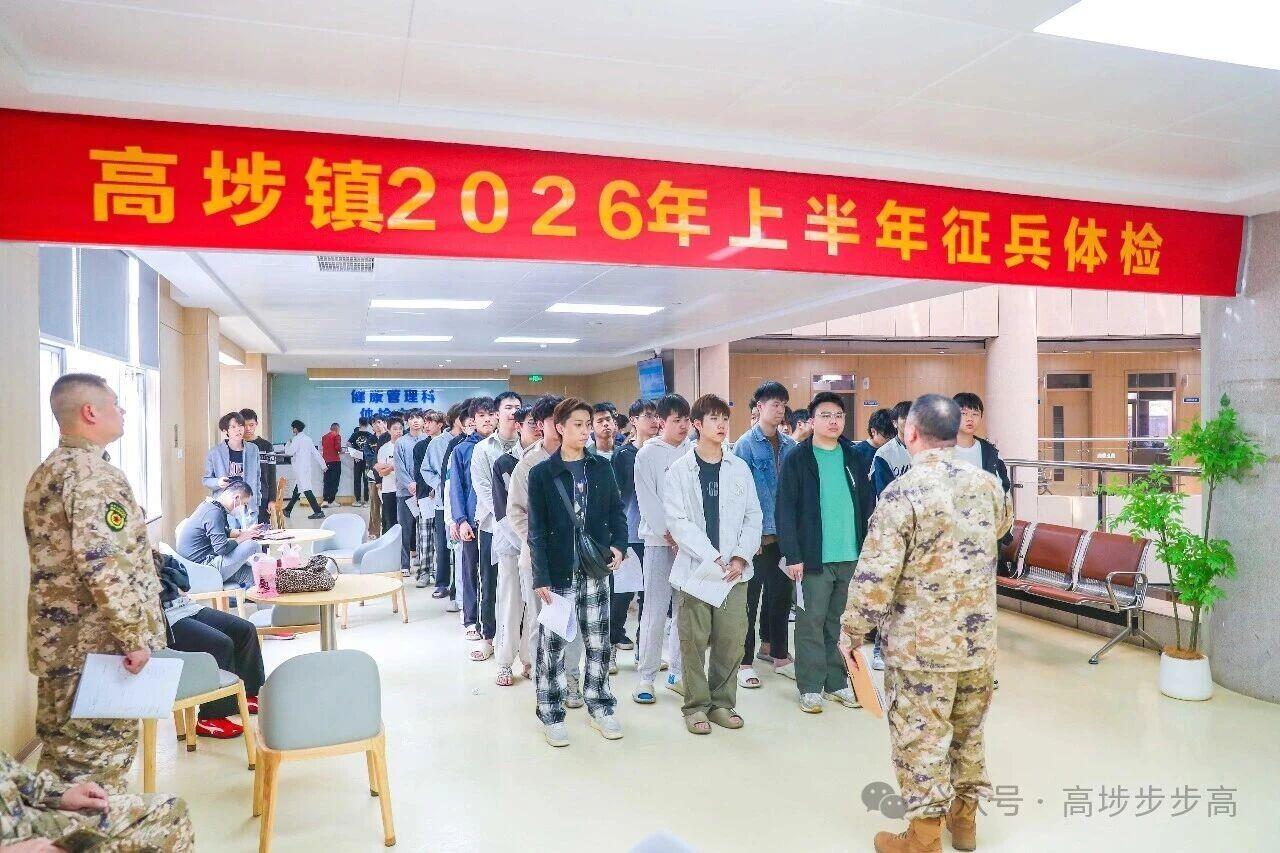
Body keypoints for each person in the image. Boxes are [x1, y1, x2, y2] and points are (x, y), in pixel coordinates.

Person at [841, 395, 1012, 853]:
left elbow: (876, 576)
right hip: (977, 642)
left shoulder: (902, 493)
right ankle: (965, 824)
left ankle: (924, 838)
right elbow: (1000, 530)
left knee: (922, 739)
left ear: (910, 433)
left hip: (921, 649)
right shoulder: (988, 485)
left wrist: (852, 632)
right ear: (956, 432)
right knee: (968, 733)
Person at [23, 373, 167, 790]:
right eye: (116, 403)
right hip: (98, 650)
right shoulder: (95, 477)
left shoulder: (49, 471)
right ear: (90, 412)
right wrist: (133, 638)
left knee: (62, 774)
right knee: (95, 776)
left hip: (60, 646)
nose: (123, 410)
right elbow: (103, 564)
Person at [528, 398, 628, 747]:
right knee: (552, 647)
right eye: (578, 425)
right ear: (559, 427)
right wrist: (540, 575)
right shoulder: (542, 474)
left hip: (595, 570)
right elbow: (536, 530)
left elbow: (616, 512)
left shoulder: (601, 468)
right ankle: (551, 713)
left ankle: (600, 706)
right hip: (558, 574)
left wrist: (619, 545)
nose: (586, 431)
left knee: (599, 643)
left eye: (588, 424)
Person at [664, 394, 762, 735]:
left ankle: (722, 703)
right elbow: (677, 521)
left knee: (730, 640)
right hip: (697, 570)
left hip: (734, 572)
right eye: (714, 419)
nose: (721, 425)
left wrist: (740, 555)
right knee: (693, 642)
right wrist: (713, 556)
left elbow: (753, 516)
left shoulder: (739, 467)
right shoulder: (680, 470)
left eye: (724, 419)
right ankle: (695, 706)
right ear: (697, 424)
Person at [776, 391, 874, 714]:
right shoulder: (798, 458)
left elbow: (866, 503)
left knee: (838, 624)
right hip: (813, 559)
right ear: (812, 420)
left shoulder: (854, 456)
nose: (833, 421)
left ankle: (836, 682)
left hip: (850, 556)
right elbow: (785, 509)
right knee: (810, 623)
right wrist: (793, 555)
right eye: (826, 415)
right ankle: (810, 686)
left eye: (838, 416)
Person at [507, 395, 587, 706]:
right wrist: (541, 541)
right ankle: (545, 680)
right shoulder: (528, 464)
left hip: (576, 558)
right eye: (556, 419)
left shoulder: (583, 460)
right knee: (542, 622)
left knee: (572, 621)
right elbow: (515, 512)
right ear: (542, 425)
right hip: (538, 560)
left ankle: (571, 678)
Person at [156, 548, 264, 740]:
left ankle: (247, 694)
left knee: (245, 629)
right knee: (220, 644)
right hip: (165, 620)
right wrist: (167, 581)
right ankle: (211, 717)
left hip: (187, 607)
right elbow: (160, 590)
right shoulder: (125, 563)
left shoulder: (151, 554)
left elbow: (184, 581)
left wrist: (167, 580)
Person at [732, 380, 798, 686]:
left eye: (783, 404)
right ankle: (744, 662)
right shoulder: (744, 445)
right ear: (759, 407)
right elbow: (739, 494)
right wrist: (749, 535)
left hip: (784, 535)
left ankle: (779, 653)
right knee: (750, 600)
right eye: (774, 404)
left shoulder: (790, 445)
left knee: (781, 597)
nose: (780, 409)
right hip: (756, 537)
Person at [0, 751, 194, 850]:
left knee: (169, 811)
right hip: (13, 840)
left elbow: (11, 772)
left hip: (24, 819)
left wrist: (59, 794)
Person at [633, 393, 692, 704]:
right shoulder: (647, 454)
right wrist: (671, 536)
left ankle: (677, 673)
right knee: (655, 611)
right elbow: (648, 502)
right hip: (659, 543)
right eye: (676, 420)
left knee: (684, 611)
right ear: (661, 421)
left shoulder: (693, 450)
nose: (683, 426)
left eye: (686, 420)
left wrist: (688, 538)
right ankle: (646, 677)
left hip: (690, 546)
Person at [470, 391, 523, 661]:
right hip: (492, 526)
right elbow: (483, 489)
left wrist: (520, 522)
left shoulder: (528, 447)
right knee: (489, 583)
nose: (513, 412)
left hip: (524, 530)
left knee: (520, 587)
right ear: (497, 414)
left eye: (517, 407)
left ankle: (519, 640)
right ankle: (488, 637)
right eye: (508, 407)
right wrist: (508, 517)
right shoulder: (483, 449)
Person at [491, 404, 541, 686]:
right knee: (510, 605)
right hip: (512, 545)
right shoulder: (505, 462)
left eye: (541, 422)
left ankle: (530, 660)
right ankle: (504, 662)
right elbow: (503, 513)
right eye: (532, 423)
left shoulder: (547, 460)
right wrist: (526, 542)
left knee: (535, 608)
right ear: (519, 426)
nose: (538, 428)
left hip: (539, 549)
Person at [611, 398, 659, 655]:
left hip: (656, 535)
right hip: (630, 532)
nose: (654, 421)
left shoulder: (661, 451)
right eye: (648, 416)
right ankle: (612, 643)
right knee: (623, 592)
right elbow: (616, 496)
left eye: (656, 416)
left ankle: (645, 649)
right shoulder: (623, 455)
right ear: (633, 421)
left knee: (650, 596)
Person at [450, 398, 496, 640]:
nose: (487, 419)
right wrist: (460, 520)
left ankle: (492, 622)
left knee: (493, 574)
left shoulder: (503, 447)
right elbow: (455, 488)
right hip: (471, 520)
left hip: (497, 521)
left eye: (490, 414)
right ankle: (471, 619)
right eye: (481, 415)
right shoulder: (461, 450)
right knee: (471, 571)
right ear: (473, 420)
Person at [177, 481, 266, 588]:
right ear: (236, 498)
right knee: (252, 545)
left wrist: (244, 532)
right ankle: (267, 568)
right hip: (202, 570)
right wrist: (241, 538)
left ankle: (259, 586)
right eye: (244, 504)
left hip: (195, 569)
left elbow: (222, 531)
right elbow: (221, 548)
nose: (243, 508)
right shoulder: (214, 513)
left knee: (254, 575)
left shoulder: (209, 506)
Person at [424, 403, 465, 603]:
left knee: (461, 547)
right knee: (443, 545)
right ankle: (442, 583)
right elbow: (426, 469)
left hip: (462, 502)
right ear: (456, 419)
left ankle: (459, 587)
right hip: (442, 501)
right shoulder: (438, 443)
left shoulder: (468, 440)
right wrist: (439, 484)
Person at [201, 411, 261, 525]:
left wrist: (257, 503)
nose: (238, 430)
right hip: (226, 506)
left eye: (240, 426)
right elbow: (206, 480)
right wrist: (218, 482)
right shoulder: (215, 452)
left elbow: (257, 478)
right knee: (230, 535)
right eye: (233, 427)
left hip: (247, 505)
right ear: (225, 431)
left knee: (251, 535)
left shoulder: (253, 449)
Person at [952, 392, 1011, 493]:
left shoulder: (990, 452)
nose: (970, 419)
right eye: (963, 413)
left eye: (975, 414)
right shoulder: (940, 450)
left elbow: (1003, 488)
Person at [411, 410, 445, 587]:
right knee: (425, 536)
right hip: (425, 496)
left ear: (440, 424)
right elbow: (419, 473)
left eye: (431, 422)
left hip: (443, 495)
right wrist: (426, 490)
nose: (427, 425)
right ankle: (424, 571)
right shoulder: (420, 447)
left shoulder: (447, 443)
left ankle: (440, 572)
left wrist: (437, 488)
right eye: (426, 422)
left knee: (441, 537)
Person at [240, 408, 276, 526]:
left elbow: (272, 474)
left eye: (251, 425)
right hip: (240, 497)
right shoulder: (236, 445)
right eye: (244, 425)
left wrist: (272, 500)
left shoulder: (266, 446)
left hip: (262, 496)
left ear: (256, 424)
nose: (248, 429)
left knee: (262, 530)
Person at [872, 400, 915, 499]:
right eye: (905, 418)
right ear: (895, 423)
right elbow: (884, 493)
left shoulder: (926, 448)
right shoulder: (884, 454)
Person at [283, 420, 325, 519]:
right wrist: (323, 465)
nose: (292, 430)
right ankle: (288, 510)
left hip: (300, 469)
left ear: (295, 429)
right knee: (298, 489)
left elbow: (289, 452)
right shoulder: (308, 439)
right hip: (306, 469)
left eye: (292, 428)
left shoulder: (296, 439)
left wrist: (288, 443)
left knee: (306, 489)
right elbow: (315, 453)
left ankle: (318, 511)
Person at [375, 417, 403, 535]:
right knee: (390, 521)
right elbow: (381, 472)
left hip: (405, 490)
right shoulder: (384, 448)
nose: (398, 431)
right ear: (389, 430)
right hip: (389, 489)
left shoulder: (406, 445)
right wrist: (392, 467)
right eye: (395, 429)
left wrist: (389, 466)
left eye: (400, 428)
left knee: (404, 522)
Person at [853, 407, 897, 472]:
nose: (890, 440)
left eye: (893, 436)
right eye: (887, 436)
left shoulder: (895, 450)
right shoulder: (855, 452)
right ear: (873, 431)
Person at [348, 417, 375, 507]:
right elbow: (373, 447)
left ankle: (358, 500)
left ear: (359, 424)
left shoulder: (355, 434)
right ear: (367, 424)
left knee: (357, 479)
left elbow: (348, 444)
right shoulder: (370, 435)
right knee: (366, 480)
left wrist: (354, 454)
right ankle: (367, 501)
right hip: (367, 460)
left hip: (358, 459)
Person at [320, 422, 343, 507]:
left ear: (331, 428)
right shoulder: (337, 436)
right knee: (334, 482)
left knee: (327, 481)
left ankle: (325, 500)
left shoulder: (324, 437)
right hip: (335, 461)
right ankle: (332, 500)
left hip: (326, 462)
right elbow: (338, 447)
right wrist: (341, 450)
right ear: (337, 429)